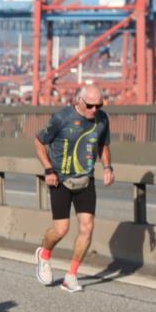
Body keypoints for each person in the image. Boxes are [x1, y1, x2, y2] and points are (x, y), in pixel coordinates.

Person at [34, 84, 115, 293]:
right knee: (61, 230)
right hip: (60, 180)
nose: (94, 110)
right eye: (90, 106)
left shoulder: (102, 119)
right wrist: (48, 170)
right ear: (79, 101)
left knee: (87, 227)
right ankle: (44, 254)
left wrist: (107, 167)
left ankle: (71, 276)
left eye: (99, 105)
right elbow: (39, 142)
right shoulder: (62, 118)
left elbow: (103, 145)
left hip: (85, 180)